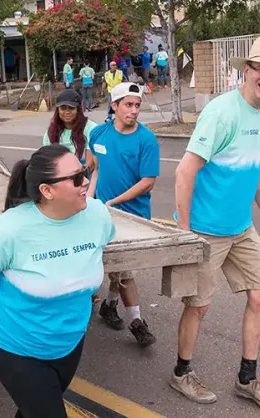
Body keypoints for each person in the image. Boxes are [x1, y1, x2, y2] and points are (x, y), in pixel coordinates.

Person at [169, 34, 260, 414]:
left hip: (241, 228)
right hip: (206, 229)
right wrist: (185, 234)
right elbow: (184, 172)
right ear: (247, 69)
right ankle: (181, 372)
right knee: (200, 306)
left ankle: (247, 379)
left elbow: (254, 170)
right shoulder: (222, 112)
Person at [0, 144, 114, 418]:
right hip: (17, 347)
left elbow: (91, 257)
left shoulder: (98, 215)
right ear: (47, 190)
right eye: (76, 178)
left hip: (70, 342)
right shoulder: (6, 231)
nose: (86, 182)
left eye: (86, 172)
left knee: (32, 410)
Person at [84, 82, 159, 346]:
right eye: (128, 105)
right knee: (123, 270)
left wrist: (114, 201)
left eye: (137, 105)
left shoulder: (146, 139)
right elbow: (95, 168)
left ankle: (110, 305)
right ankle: (136, 321)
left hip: (134, 215)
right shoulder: (98, 135)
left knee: (124, 268)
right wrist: (89, 200)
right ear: (114, 106)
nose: (134, 110)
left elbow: (147, 181)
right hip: (105, 214)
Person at [43, 90, 99, 164]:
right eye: (63, 108)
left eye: (71, 108)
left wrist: (76, 174)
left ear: (78, 109)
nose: (67, 112)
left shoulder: (91, 129)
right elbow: (47, 160)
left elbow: (90, 164)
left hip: (85, 173)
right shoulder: (50, 133)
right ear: (58, 110)